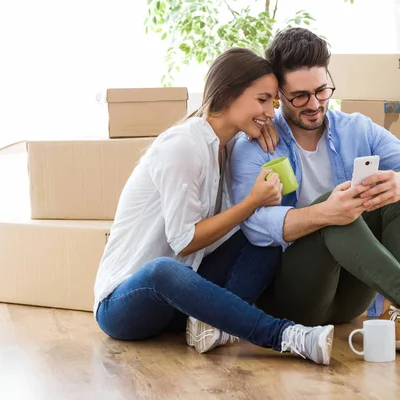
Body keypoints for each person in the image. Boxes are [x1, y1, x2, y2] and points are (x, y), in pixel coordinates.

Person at [230, 28, 400, 352]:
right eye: (300, 96)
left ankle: (396, 314)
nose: (315, 103)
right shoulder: (257, 142)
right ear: (279, 94)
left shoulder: (356, 128)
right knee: (333, 207)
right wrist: (323, 213)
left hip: (350, 301)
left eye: (322, 91)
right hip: (295, 299)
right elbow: (253, 225)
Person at [93, 47, 334, 365]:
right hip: (125, 304)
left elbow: (253, 222)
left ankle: (212, 326)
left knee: (264, 232)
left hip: (184, 301)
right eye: (262, 100)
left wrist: (261, 201)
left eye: (273, 103)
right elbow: (184, 240)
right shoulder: (183, 145)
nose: (269, 112)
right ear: (229, 93)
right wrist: (251, 203)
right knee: (165, 270)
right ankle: (287, 336)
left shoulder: (228, 145)